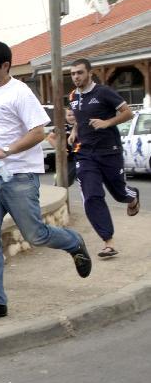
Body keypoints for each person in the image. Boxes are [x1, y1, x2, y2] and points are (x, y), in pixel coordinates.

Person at [0, 42, 92, 323]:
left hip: (19, 177)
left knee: (35, 235)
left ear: (5, 66)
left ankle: (74, 242)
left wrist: (7, 151)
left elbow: (38, 132)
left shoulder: (21, 93)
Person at [67, 58, 140, 258]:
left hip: (109, 150)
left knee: (119, 193)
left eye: (80, 73)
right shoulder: (73, 96)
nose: (76, 77)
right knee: (91, 195)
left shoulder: (104, 92)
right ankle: (108, 242)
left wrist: (107, 123)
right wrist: (74, 130)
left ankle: (132, 196)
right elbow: (80, 116)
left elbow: (128, 113)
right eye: (73, 73)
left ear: (89, 73)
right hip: (85, 153)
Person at [45, 106, 78, 187]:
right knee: (64, 180)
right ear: (65, 116)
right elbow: (50, 137)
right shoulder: (62, 126)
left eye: (74, 115)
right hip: (70, 157)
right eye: (69, 115)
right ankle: (57, 187)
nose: (71, 117)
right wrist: (61, 150)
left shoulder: (82, 124)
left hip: (83, 155)